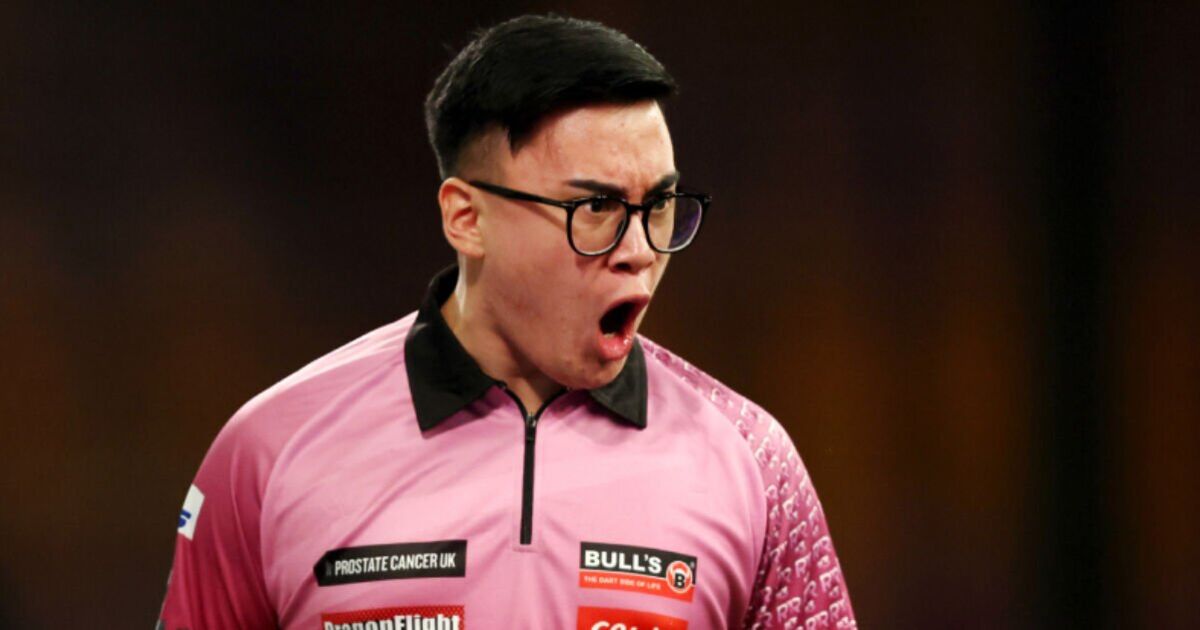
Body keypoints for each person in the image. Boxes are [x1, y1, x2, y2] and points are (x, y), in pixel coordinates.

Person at [158, 14, 856, 630]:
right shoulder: (269, 452)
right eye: (596, 208)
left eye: (660, 206)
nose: (641, 251)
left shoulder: (753, 463)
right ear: (466, 217)